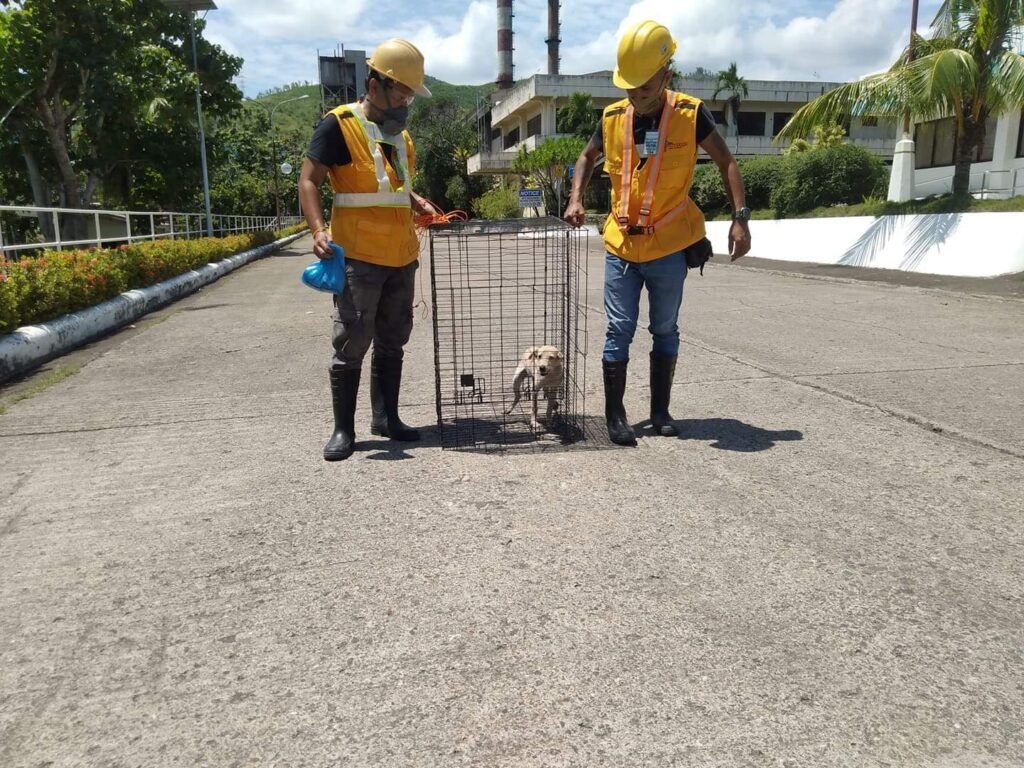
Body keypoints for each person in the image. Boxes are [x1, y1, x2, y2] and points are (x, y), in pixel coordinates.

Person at [564, 20, 752, 446]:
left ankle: (661, 411)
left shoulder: (689, 114)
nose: (635, 96)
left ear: (666, 76)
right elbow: (586, 157)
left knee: (665, 327)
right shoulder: (612, 118)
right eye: (628, 88)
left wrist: (740, 217)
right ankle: (616, 416)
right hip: (622, 245)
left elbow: (727, 162)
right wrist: (575, 197)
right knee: (619, 328)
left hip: (669, 246)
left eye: (644, 88)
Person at [299, 38, 439, 461]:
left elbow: (391, 186)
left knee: (394, 338)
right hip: (359, 256)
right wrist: (318, 229)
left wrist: (417, 202)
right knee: (353, 339)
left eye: (410, 93)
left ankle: (387, 418)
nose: (405, 101)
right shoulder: (339, 125)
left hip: (401, 255)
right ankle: (344, 430)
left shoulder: (401, 136)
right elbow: (309, 179)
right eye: (400, 91)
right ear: (374, 83)